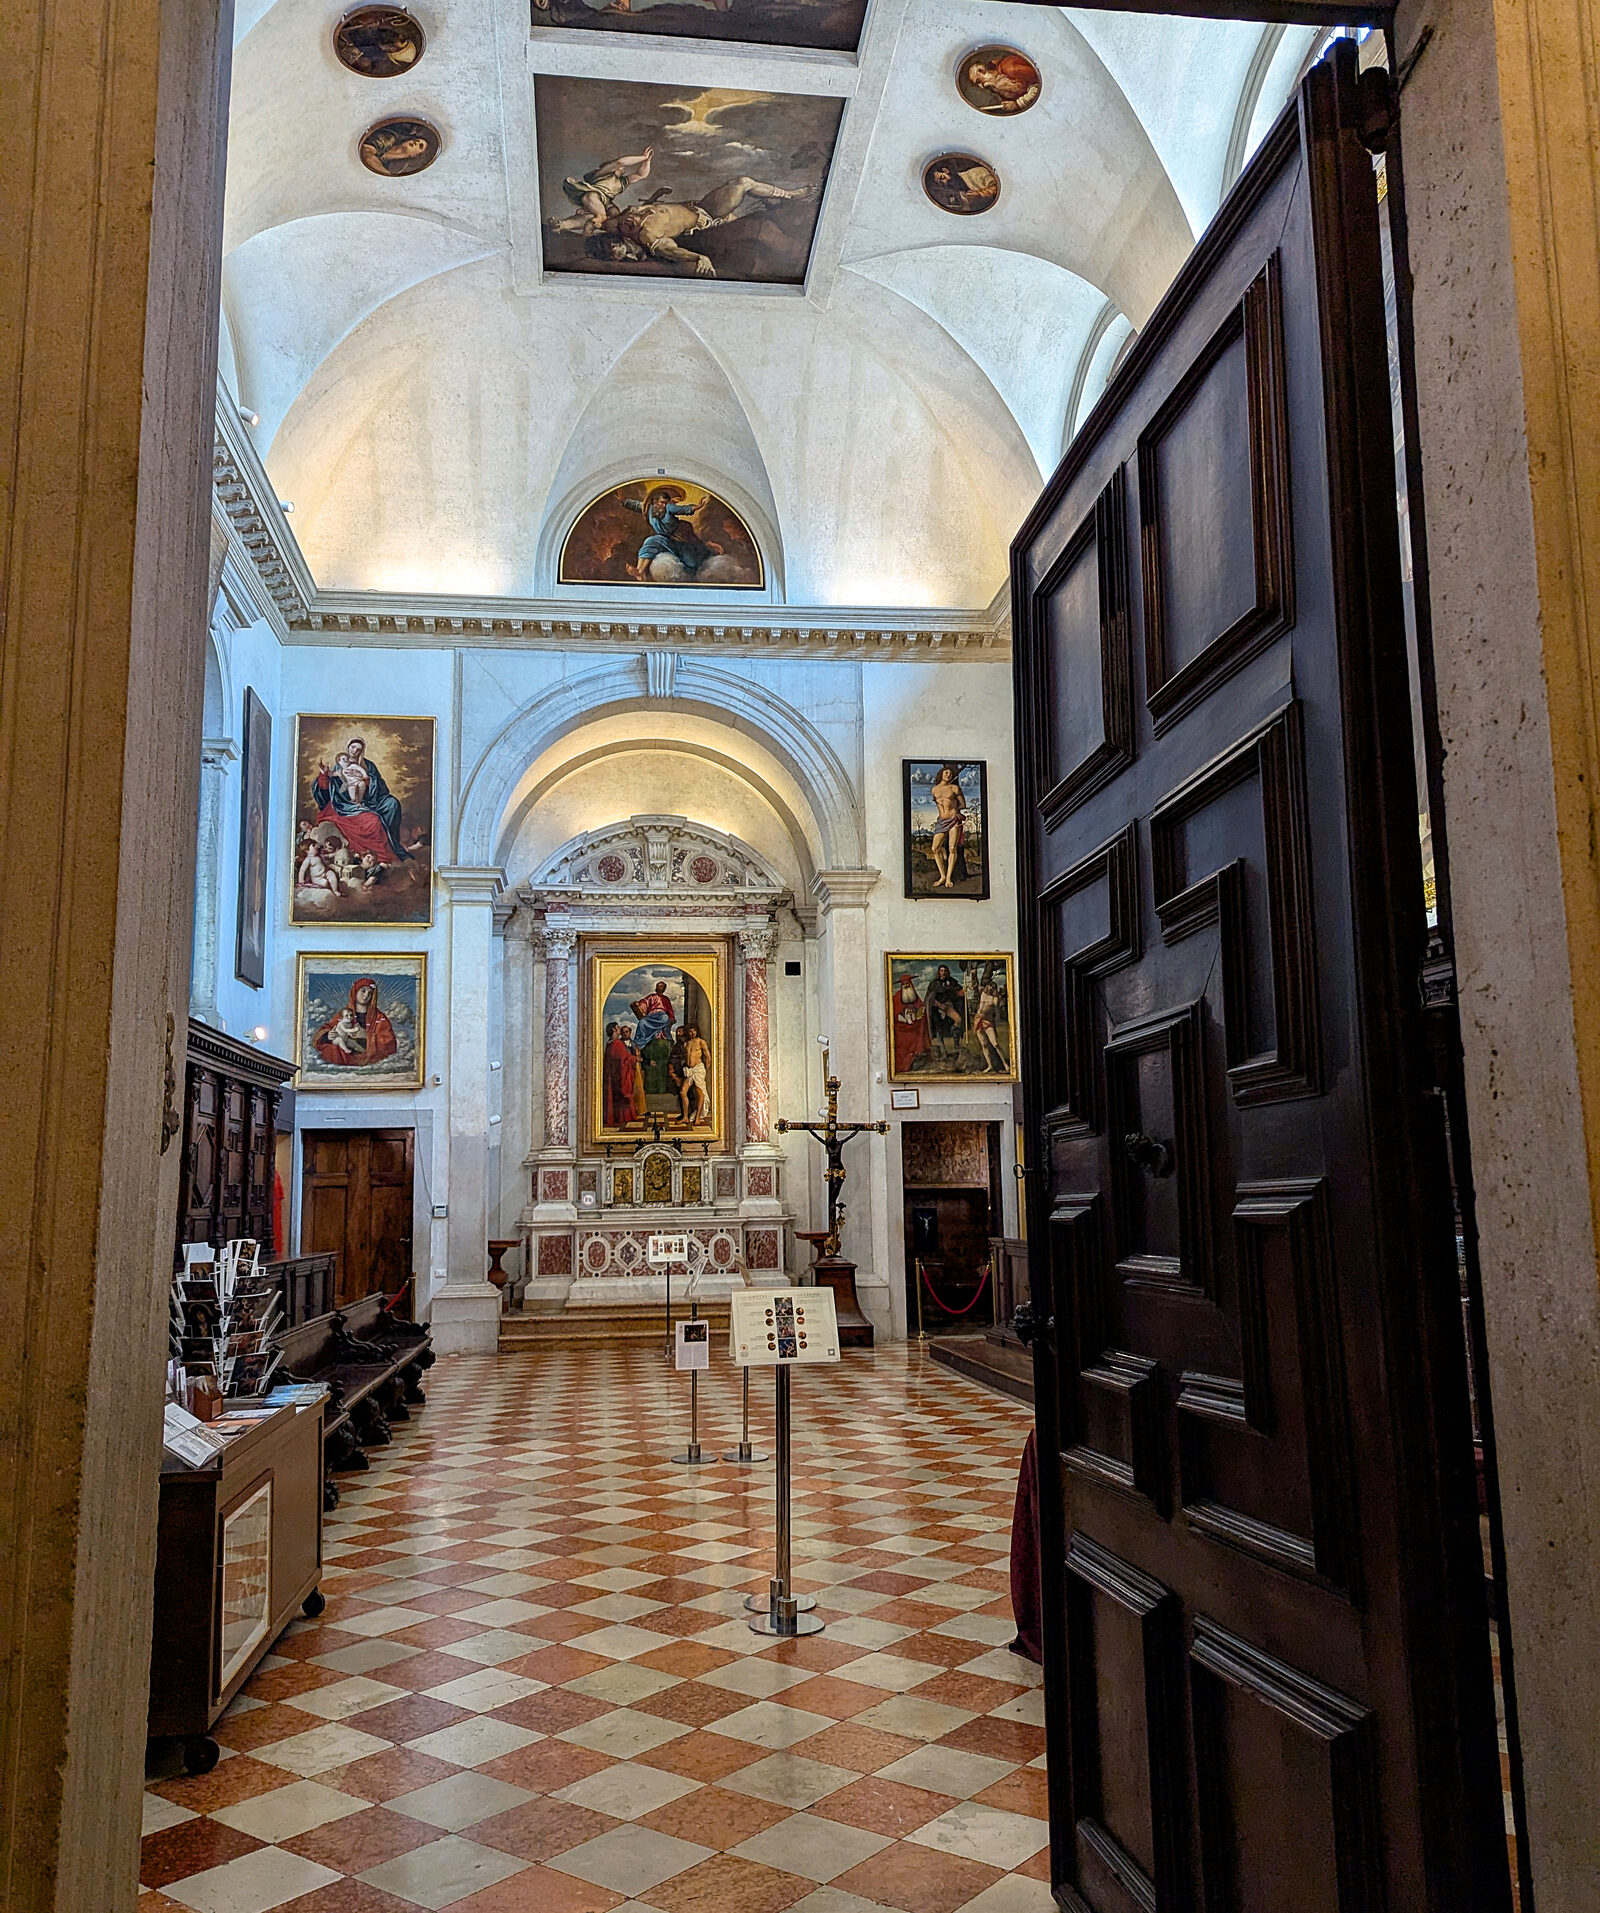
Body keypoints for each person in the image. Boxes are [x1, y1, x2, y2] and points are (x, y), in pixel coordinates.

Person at [584, 175, 813, 278]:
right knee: (742, 184)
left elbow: (599, 206)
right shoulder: (648, 235)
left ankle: (789, 195)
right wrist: (697, 258)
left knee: (742, 182)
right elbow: (670, 250)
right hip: (708, 219)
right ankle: (792, 196)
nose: (626, 224)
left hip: (699, 206)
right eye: (619, 250)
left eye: (614, 243)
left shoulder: (615, 223)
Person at [310, 736, 410, 864]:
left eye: (358, 749)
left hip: (370, 801)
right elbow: (327, 787)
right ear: (348, 747)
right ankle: (379, 855)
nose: (354, 751)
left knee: (392, 803)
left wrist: (366, 780)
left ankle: (393, 844)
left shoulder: (368, 765)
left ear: (362, 751)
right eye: (352, 747)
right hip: (344, 805)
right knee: (373, 821)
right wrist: (324, 774)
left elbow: (380, 786)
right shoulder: (339, 766)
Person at [551, 148, 654, 236]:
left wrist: (647, 161)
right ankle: (587, 235)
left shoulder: (622, 182)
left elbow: (641, 175)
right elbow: (620, 162)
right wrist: (642, 157)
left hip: (604, 202)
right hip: (593, 196)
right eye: (621, 168)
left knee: (612, 216)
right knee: (601, 217)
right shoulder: (604, 173)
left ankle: (562, 225)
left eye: (623, 169)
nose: (623, 169)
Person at [312, 977, 397, 1067]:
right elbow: (327, 1029)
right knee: (331, 1050)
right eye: (363, 991)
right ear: (355, 991)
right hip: (346, 1054)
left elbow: (390, 1042)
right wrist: (328, 1035)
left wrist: (366, 1035)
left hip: (369, 1054)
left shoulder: (379, 1017)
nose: (366, 995)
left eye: (370, 993)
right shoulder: (345, 1013)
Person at [928, 764, 970, 888]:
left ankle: (948, 878)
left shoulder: (954, 788)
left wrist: (954, 812)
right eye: (946, 772)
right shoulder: (934, 790)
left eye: (950, 774)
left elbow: (963, 804)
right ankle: (942, 876)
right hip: (941, 821)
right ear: (941, 774)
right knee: (935, 848)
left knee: (952, 848)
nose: (949, 775)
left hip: (953, 820)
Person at [965, 53, 1041, 113]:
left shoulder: (1010, 68)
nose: (981, 86)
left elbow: (1039, 86)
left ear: (982, 71)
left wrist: (1018, 104)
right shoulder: (998, 85)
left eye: (979, 81)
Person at [603, 1021, 646, 1127]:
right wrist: (635, 1059)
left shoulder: (610, 1043)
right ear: (614, 1029)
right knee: (622, 1097)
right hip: (619, 1076)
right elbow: (625, 1059)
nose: (619, 1030)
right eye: (618, 1028)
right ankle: (624, 1117)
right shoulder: (617, 1043)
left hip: (613, 1076)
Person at [926, 963, 966, 1066]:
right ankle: (944, 1053)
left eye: (945, 971)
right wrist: (939, 1005)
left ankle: (956, 1044)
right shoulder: (934, 984)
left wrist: (962, 992)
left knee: (958, 1020)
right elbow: (930, 999)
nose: (943, 973)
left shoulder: (951, 982)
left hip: (948, 1007)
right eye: (941, 971)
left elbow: (957, 992)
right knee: (939, 1032)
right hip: (936, 1010)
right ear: (939, 972)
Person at [892, 972, 931, 1075]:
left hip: (915, 1026)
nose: (906, 986)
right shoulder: (897, 997)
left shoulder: (914, 996)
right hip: (901, 1027)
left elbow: (921, 1007)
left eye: (908, 984)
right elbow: (894, 1013)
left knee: (919, 1032)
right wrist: (904, 1019)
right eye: (904, 985)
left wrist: (919, 1015)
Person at [628, 975, 678, 1053]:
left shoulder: (666, 999)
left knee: (665, 1018)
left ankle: (656, 1031)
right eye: (658, 986)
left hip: (661, 1015)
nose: (659, 987)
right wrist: (639, 1004)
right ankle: (640, 1042)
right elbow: (644, 1002)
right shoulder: (652, 996)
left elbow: (669, 1010)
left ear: (664, 988)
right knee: (642, 1022)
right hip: (651, 1016)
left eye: (661, 986)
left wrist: (671, 1017)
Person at [972, 973, 1007, 1073]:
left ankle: (1005, 1065)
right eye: (990, 986)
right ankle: (990, 1065)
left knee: (995, 1043)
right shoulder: (983, 994)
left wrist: (997, 1022)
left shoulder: (995, 999)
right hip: (978, 1020)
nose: (991, 988)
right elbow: (974, 985)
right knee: (984, 1044)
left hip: (987, 1022)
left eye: (993, 987)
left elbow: (997, 1012)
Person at [679, 1025, 711, 1125]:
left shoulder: (701, 1042)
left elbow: (708, 1057)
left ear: (697, 1031)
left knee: (699, 1092)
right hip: (689, 1070)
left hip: (698, 1069)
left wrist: (705, 1070)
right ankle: (685, 1117)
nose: (692, 1033)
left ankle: (697, 1117)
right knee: (682, 1092)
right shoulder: (686, 1043)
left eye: (694, 1031)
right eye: (690, 1031)